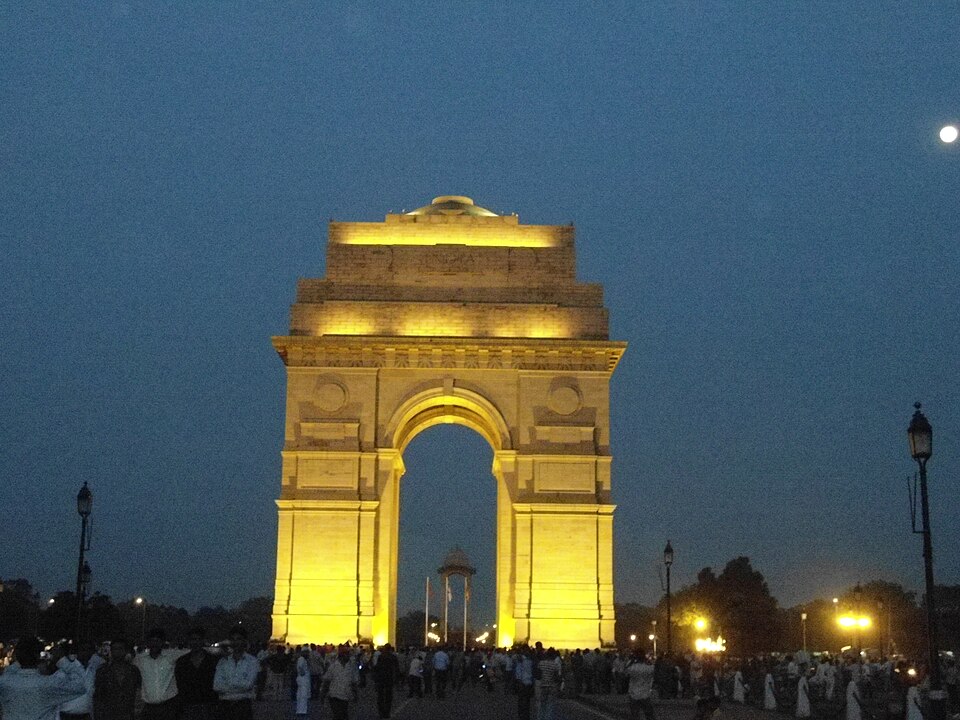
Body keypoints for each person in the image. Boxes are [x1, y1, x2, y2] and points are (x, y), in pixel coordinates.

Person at [0, 637, 86, 720]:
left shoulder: (4, 682)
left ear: (16, 655)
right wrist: (61, 660)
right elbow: (80, 685)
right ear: (39, 656)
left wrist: (21, 659)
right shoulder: (50, 684)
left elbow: (8, 671)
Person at [134, 629, 189, 720]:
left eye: (158, 641)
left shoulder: (171, 656)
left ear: (163, 642)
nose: (155, 644)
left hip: (168, 707)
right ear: (148, 642)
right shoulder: (140, 659)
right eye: (152, 640)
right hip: (149, 708)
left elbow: (191, 652)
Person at [213, 626, 259, 720]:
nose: (236, 642)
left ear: (245, 641)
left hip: (242, 707)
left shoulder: (253, 661)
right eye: (233, 639)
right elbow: (216, 686)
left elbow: (248, 685)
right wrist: (239, 688)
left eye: (239, 639)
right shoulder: (222, 661)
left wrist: (227, 687)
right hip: (225, 707)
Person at [174, 627, 219, 720]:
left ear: (203, 641)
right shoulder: (182, 662)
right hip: (188, 706)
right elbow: (179, 684)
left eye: (199, 639)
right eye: (193, 639)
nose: (196, 642)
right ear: (189, 641)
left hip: (208, 706)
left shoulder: (212, 661)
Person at [94, 638, 142, 720]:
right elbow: (98, 696)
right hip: (108, 715)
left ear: (126, 651)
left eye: (120, 649)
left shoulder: (134, 670)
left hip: (128, 714)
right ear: (111, 651)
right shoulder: (102, 671)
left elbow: (139, 693)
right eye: (114, 649)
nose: (117, 652)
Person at [58, 643, 103, 720]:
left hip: (87, 714)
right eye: (83, 650)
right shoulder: (66, 667)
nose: (86, 652)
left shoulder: (94, 668)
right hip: (67, 715)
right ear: (77, 651)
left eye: (89, 650)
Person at [320, 645, 358, 720]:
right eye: (346, 655)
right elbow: (326, 681)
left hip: (346, 697)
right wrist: (323, 695)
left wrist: (355, 694)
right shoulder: (333, 667)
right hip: (335, 696)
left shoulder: (350, 667)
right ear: (342, 656)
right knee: (339, 715)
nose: (348, 657)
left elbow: (353, 682)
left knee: (343, 715)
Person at [625, 650, 656, 720]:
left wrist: (631, 661)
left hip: (633, 694)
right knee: (649, 715)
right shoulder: (649, 668)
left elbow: (625, 672)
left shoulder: (632, 668)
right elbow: (653, 670)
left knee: (635, 715)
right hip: (645, 694)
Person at [372, 644, 400, 719]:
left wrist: (375, 679)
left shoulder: (381, 657)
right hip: (389, 679)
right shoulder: (393, 657)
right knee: (388, 697)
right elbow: (396, 669)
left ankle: (381, 712)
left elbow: (377, 668)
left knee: (380, 697)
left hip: (381, 679)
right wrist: (396, 680)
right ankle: (387, 713)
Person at [536, 648, 561, 720]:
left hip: (543, 686)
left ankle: (541, 718)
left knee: (542, 704)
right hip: (551, 687)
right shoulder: (555, 665)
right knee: (550, 705)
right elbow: (556, 677)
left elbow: (538, 675)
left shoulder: (541, 663)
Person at [515, 648, 535, 720]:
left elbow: (518, 672)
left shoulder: (521, 660)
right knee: (525, 700)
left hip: (525, 683)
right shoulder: (529, 661)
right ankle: (524, 715)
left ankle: (523, 715)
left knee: (523, 700)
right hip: (526, 683)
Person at [294, 646, 310, 717]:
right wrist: (302, 673)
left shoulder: (302, 659)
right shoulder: (302, 659)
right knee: (303, 695)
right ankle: (302, 711)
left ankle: (300, 710)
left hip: (302, 679)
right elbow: (300, 667)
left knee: (300, 695)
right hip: (303, 679)